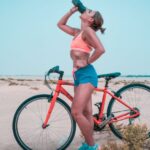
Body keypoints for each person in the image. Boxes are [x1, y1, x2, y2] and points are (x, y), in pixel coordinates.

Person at [57, 6, 105, 150]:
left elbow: (101, 49)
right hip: (78, 75)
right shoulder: (79, 32)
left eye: (89, 11)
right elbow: (60, 25)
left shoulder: (88, 31)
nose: (86, 10)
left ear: (90, 19)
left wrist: (87, 62)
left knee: (76, 112)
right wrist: (71, 12)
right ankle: (87, 143)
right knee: (86, 113)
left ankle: (92, 146)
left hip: (86, 74)